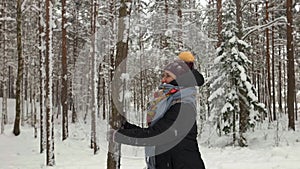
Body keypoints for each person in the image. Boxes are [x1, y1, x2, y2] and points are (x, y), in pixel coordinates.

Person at [108, 51, 206, 169]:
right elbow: (157, 130)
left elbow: (156, 135)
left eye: (168, 76)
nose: (163, 80)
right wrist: (127, 127)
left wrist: (120, 136)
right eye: (163, 75)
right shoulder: (169, 101)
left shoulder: (183, 106)